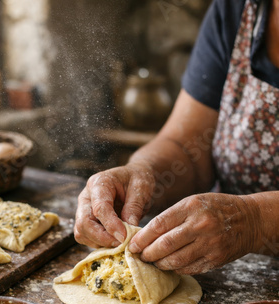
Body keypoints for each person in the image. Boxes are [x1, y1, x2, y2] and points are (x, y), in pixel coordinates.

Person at [75, 0, 279, 275]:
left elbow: (253, 220)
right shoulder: (236, 9)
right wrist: (142, 173)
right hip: (235, 270)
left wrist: (256, 221)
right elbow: (186, 145)